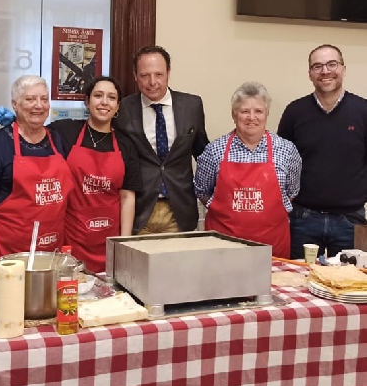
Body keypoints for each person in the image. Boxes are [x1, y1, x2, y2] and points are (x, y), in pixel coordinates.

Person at [0, 76, 142, 273]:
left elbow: (127, 197)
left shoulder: (126, 144)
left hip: (109, 240)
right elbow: (34, 136)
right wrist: (17, 120)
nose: (104, 102)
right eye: (98, 96)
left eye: (111, 97)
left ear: (117, 107)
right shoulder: (65, 131)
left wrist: (124, 242)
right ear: (87, 102)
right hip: (71, 239)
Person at [0, 75, 74, 280]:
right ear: (15, 105)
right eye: (30, 99)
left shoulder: (58, 140)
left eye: (44, 99)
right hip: (7, 255)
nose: (39, 105)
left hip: (50, 253)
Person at [277, 44, 367, 259]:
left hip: (351, 220)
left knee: (351, 285)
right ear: (310, 74)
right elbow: (281, 164)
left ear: (343, 69)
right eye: (317, 66)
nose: (325, 71)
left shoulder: (363, 111)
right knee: (298, 281)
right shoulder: (295, 112)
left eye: (331, 64)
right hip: (303, 219)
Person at [194, 82, 302, 259]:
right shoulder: (214, 151)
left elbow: (291, 191)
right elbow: (202, 191)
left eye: (258, 111)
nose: (252, 117)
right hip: (223, 246)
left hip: (272, 247)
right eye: (244, 111)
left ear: (267, 114)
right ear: (234, 115)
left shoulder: (286, 150)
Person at [112, 45, 210, 234]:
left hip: (180, 209)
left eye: (158, 74)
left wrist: (210, 197)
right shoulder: (122, 109)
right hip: (139, 211)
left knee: (178, 264)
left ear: (168, 73)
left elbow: (203, 154)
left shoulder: (191, 105)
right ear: (135, 76)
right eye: (144, 75)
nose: (152, 82)